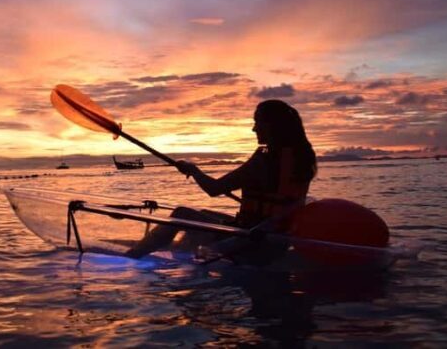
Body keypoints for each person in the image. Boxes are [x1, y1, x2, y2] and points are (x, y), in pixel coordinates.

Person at [126, 99, 317, 259]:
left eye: (257, 122)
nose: (253, 129)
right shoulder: (302, 157)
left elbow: (214, 188)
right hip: (277, 241)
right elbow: (292, 202)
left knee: (182, 213)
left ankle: (134, 256)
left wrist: (193, 170)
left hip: (251, 242)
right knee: (202, 212)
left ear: (272, 126)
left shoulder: (263, 161)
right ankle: (182, 252)